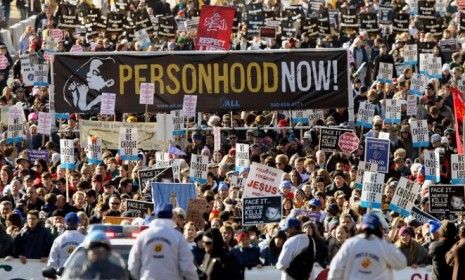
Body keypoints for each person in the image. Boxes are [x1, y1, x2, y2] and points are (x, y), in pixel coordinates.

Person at [128, 203, 198, 280]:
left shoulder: (143, 236)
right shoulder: (178, 237)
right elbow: (187, 265)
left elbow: (133, 264)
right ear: (171, 217)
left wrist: (141, 277)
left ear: (156, 216)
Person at [328, 213, 407, 280]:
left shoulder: (350, 243)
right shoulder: (383, 245)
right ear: (378, 228)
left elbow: (336, 268)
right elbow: (401, 263)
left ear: (362, 227)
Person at [61, 230, 128, 280]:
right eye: (94, 251)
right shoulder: (77, 271)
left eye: (101, 251)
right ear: (87, 252)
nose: (98, 253)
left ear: (107, 252)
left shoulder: (117, 271)